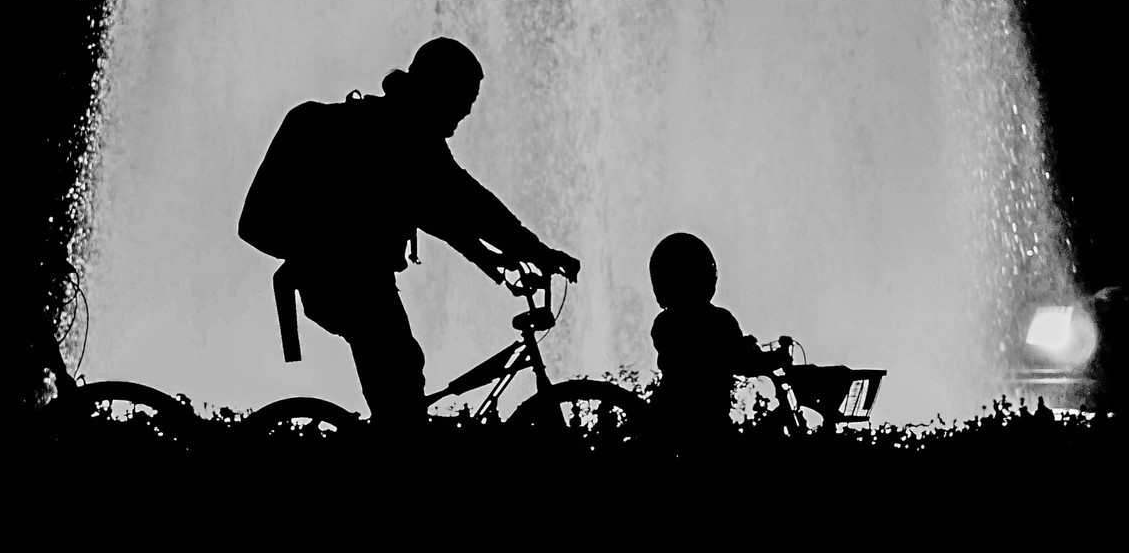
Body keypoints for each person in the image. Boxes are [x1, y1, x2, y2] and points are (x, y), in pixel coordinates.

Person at [239, 37, 580, 430]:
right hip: (350, 280)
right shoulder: (405, 135)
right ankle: (401, 454)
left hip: (337, 278)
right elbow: (468, 202)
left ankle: (397, 440)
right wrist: (539, 252)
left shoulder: (394, 127)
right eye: (463, 99)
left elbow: (438, 211)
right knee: (400, 377)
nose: (466, 112)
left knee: (399, 376)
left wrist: (490, 258)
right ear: (438, 89)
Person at [648, 232, 767, 455]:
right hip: (709, 423)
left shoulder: (664, 323)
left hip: (667, 417)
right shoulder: (719, 320)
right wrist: (770, 358)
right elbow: (741, 361)